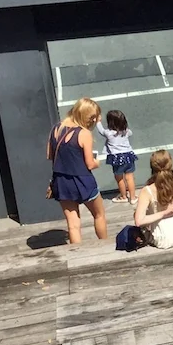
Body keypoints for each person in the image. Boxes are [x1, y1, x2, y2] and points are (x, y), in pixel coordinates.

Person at [47, 97, 108, 245]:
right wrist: (97, 162)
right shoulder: (83, 133)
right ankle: (105, 247)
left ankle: (77, 255)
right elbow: (90, 164)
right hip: (83, 180)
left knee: (73, 224)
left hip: (61, 181)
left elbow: (49, 155)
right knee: (99, 215)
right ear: (89, 118)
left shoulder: (56, 128)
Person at [134, 149, 173, 249]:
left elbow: (139, 221)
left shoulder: (147, 191)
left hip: (165, 237)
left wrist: (164, 213)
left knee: (137, 214)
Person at [97, 109, 137, 204]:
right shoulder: (127, 131)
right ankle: (133, 197)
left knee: (119, 178)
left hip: (116, 158)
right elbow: (130, 133)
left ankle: (123, 196)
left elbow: (101, 131)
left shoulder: (109, 133)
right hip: (128, 155)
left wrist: (98, 121)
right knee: (129, 177)